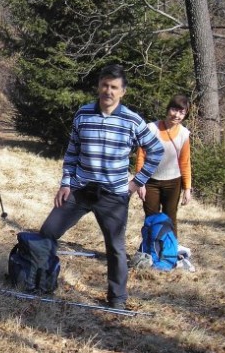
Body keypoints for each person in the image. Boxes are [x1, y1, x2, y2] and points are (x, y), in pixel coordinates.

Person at [38, 64, 164, 310]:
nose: (109, 91)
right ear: (98, 87)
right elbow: (72, 151)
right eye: (105, 85)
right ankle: (40, 280)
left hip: (113, 195)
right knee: (48, 232)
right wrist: (66, 183)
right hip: (80, 190)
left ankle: (117, 298)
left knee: (115, 248)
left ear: (122, 92)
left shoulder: (132, 120)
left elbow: (156, 150)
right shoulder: (83, 114)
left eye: (114, 87)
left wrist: (137, 181)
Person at [135, 94, 192, 237]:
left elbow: (185, 162)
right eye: (174, 110)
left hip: (173, 183)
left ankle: (169, 253)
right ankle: (149, 251)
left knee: (170, 218)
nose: (177, 115)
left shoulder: (184, 134)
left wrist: (187, 188)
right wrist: (140, 182)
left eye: (182, 112)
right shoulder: (151, 129)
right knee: (151, 218)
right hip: (150, 182)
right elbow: (141, 155)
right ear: (168, 109)